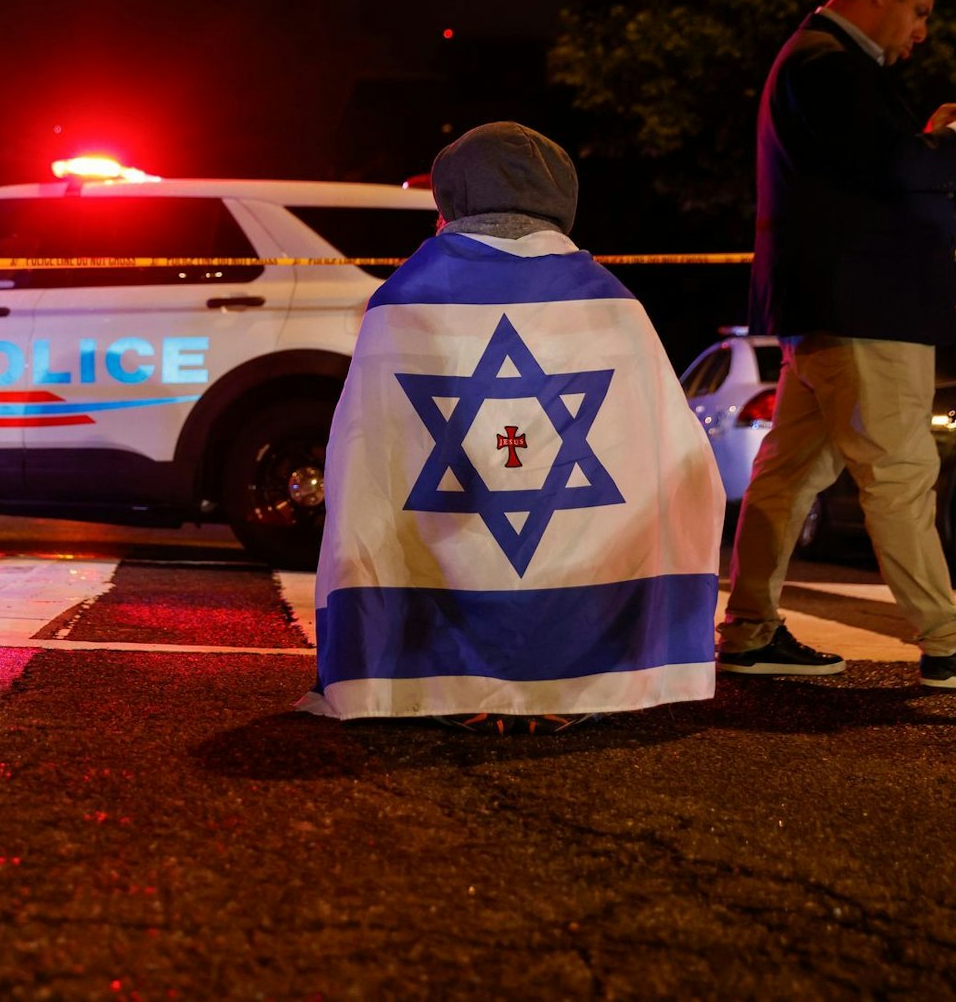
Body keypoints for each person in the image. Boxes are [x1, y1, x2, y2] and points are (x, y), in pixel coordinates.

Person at [301, 123, 725, 733]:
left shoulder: (405, 299)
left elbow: (368, 457)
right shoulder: (612, 302)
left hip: (442, 557)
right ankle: (577, 680)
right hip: (578, 578)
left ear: (451, 200)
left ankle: (437, 680)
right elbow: (666, 451)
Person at [720, 0, 956, 690]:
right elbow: (901, 172)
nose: (922, 32)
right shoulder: (829, 64)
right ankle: (949, 641)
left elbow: (879, 163)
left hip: (831, 307)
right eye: (918, 11)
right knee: (901, 470)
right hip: (868, 307)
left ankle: (750, 628)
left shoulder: (815, 62)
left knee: (790, 474)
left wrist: (933, 138)